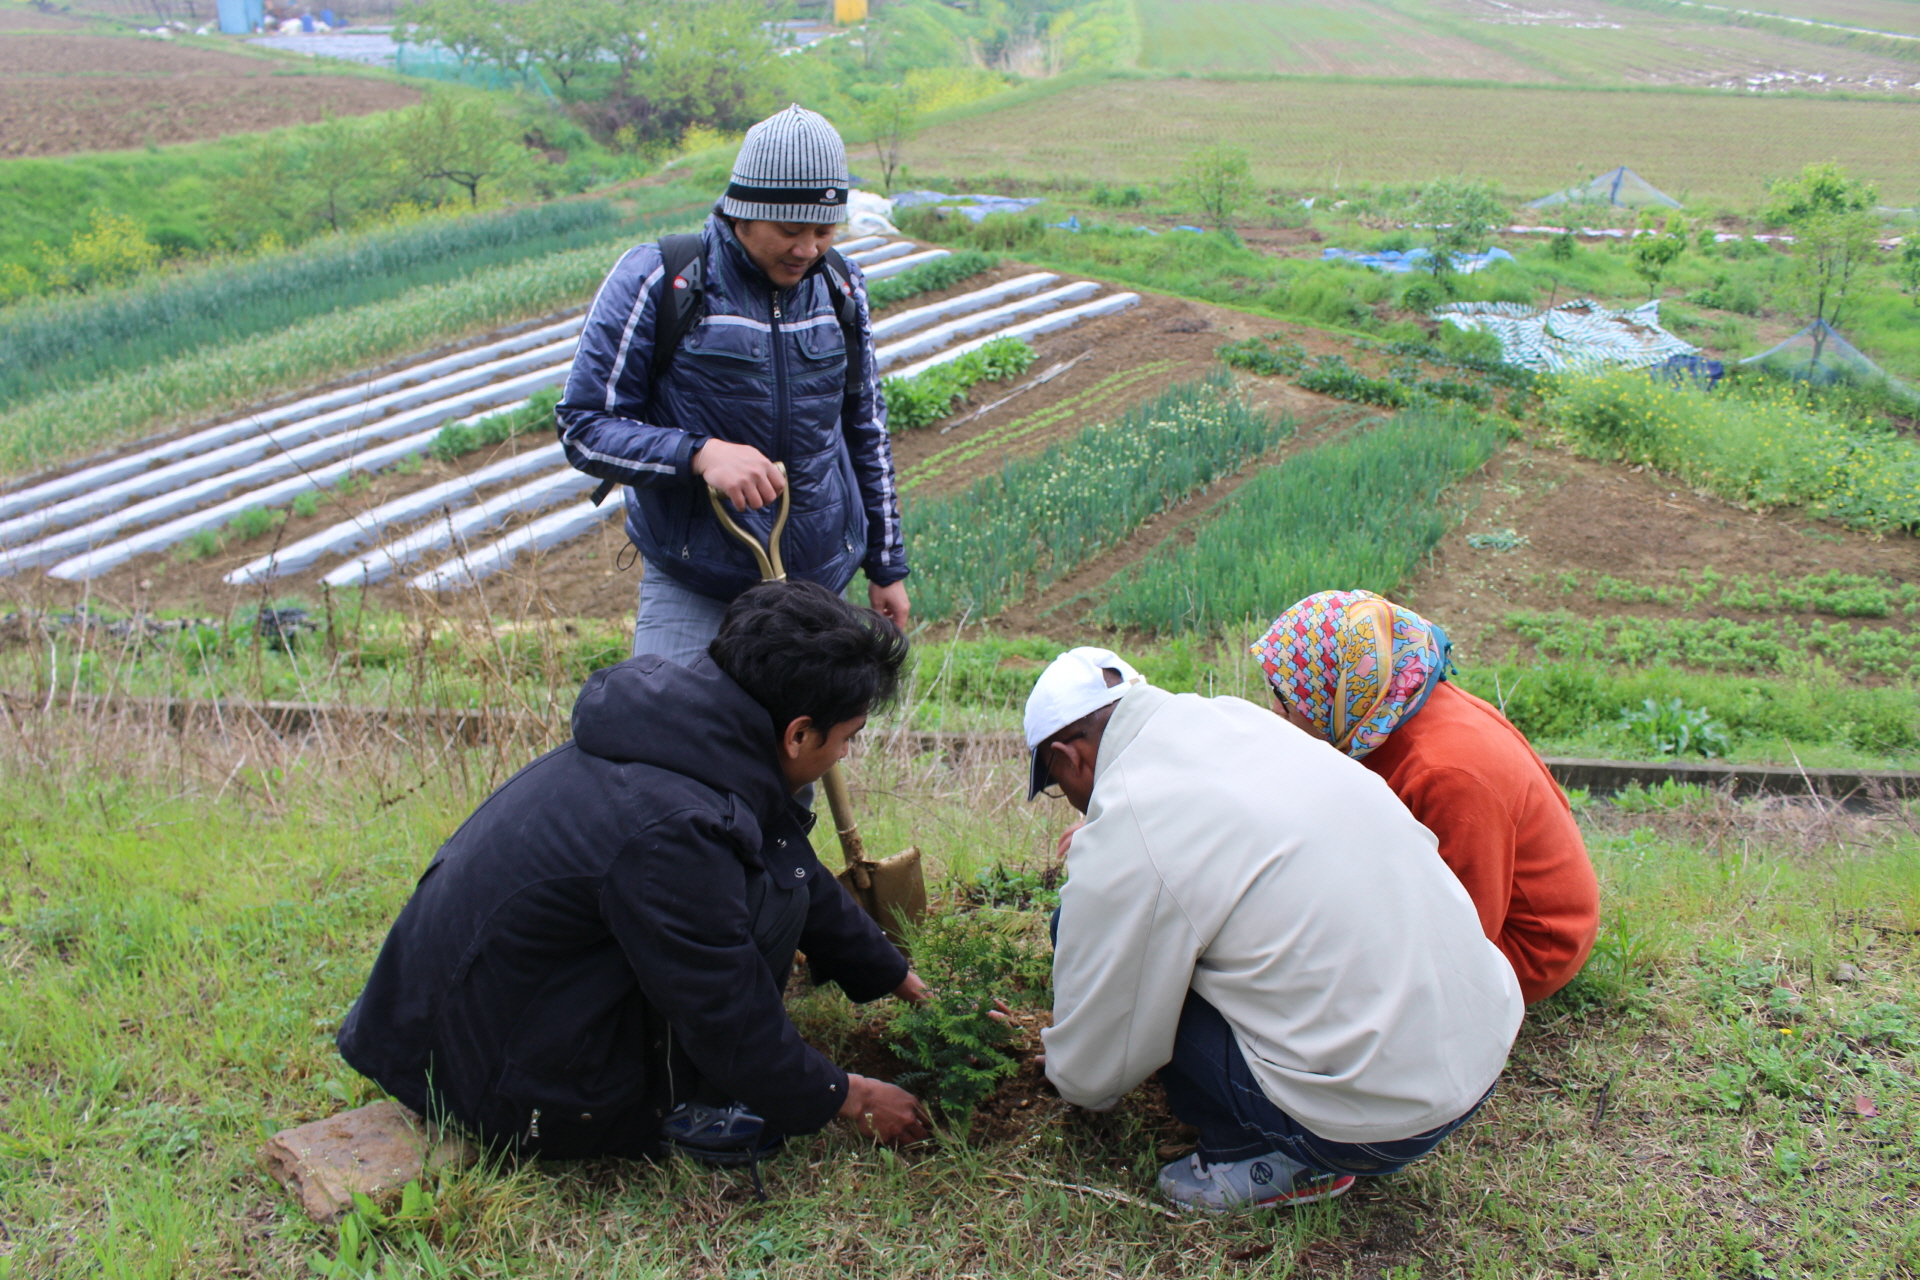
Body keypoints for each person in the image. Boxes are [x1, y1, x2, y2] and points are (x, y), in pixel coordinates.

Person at [336, 581, 931, 1168]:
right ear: (799, 733)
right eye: (849, 737)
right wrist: (848, 1096)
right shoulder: (675, 830)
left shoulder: (685, 732)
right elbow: (722, 1006)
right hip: (487, 1081)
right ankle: (689, 1107)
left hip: (461, 1021)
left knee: (772, 883)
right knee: (758, 909)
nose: (847, 754)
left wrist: (897, 977)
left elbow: (791, 863)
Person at [1027, 647, 1523, 1214]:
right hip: (1482, 1048)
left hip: (1374, 1125)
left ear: (1070, 758)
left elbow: (1096, 1072)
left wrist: (1072, 1067)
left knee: (1123, 951)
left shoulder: (1133, 812)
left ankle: (1259, 1157)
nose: (1067, 800)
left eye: (1054, 784)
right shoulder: (1241, 722)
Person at [556, 103, 909, 665]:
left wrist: (886, 565)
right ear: (740, 213)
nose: (808, 249)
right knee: (672, 745)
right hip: (697, 581)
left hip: (816, 586)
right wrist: (699, 453)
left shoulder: (841, 288)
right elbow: (584, 427)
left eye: (823, 229)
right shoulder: (661, 277)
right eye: (789, 230)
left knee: (791, 750)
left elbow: (864, 428)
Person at [1250, 590, 1599, 1003]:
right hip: (1479, 914)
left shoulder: (1446, 773)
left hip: (1524, 948)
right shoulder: (1390, 708)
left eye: (1287, 695)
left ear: (1339, 689)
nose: (1273, 707)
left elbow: (1465, 936)